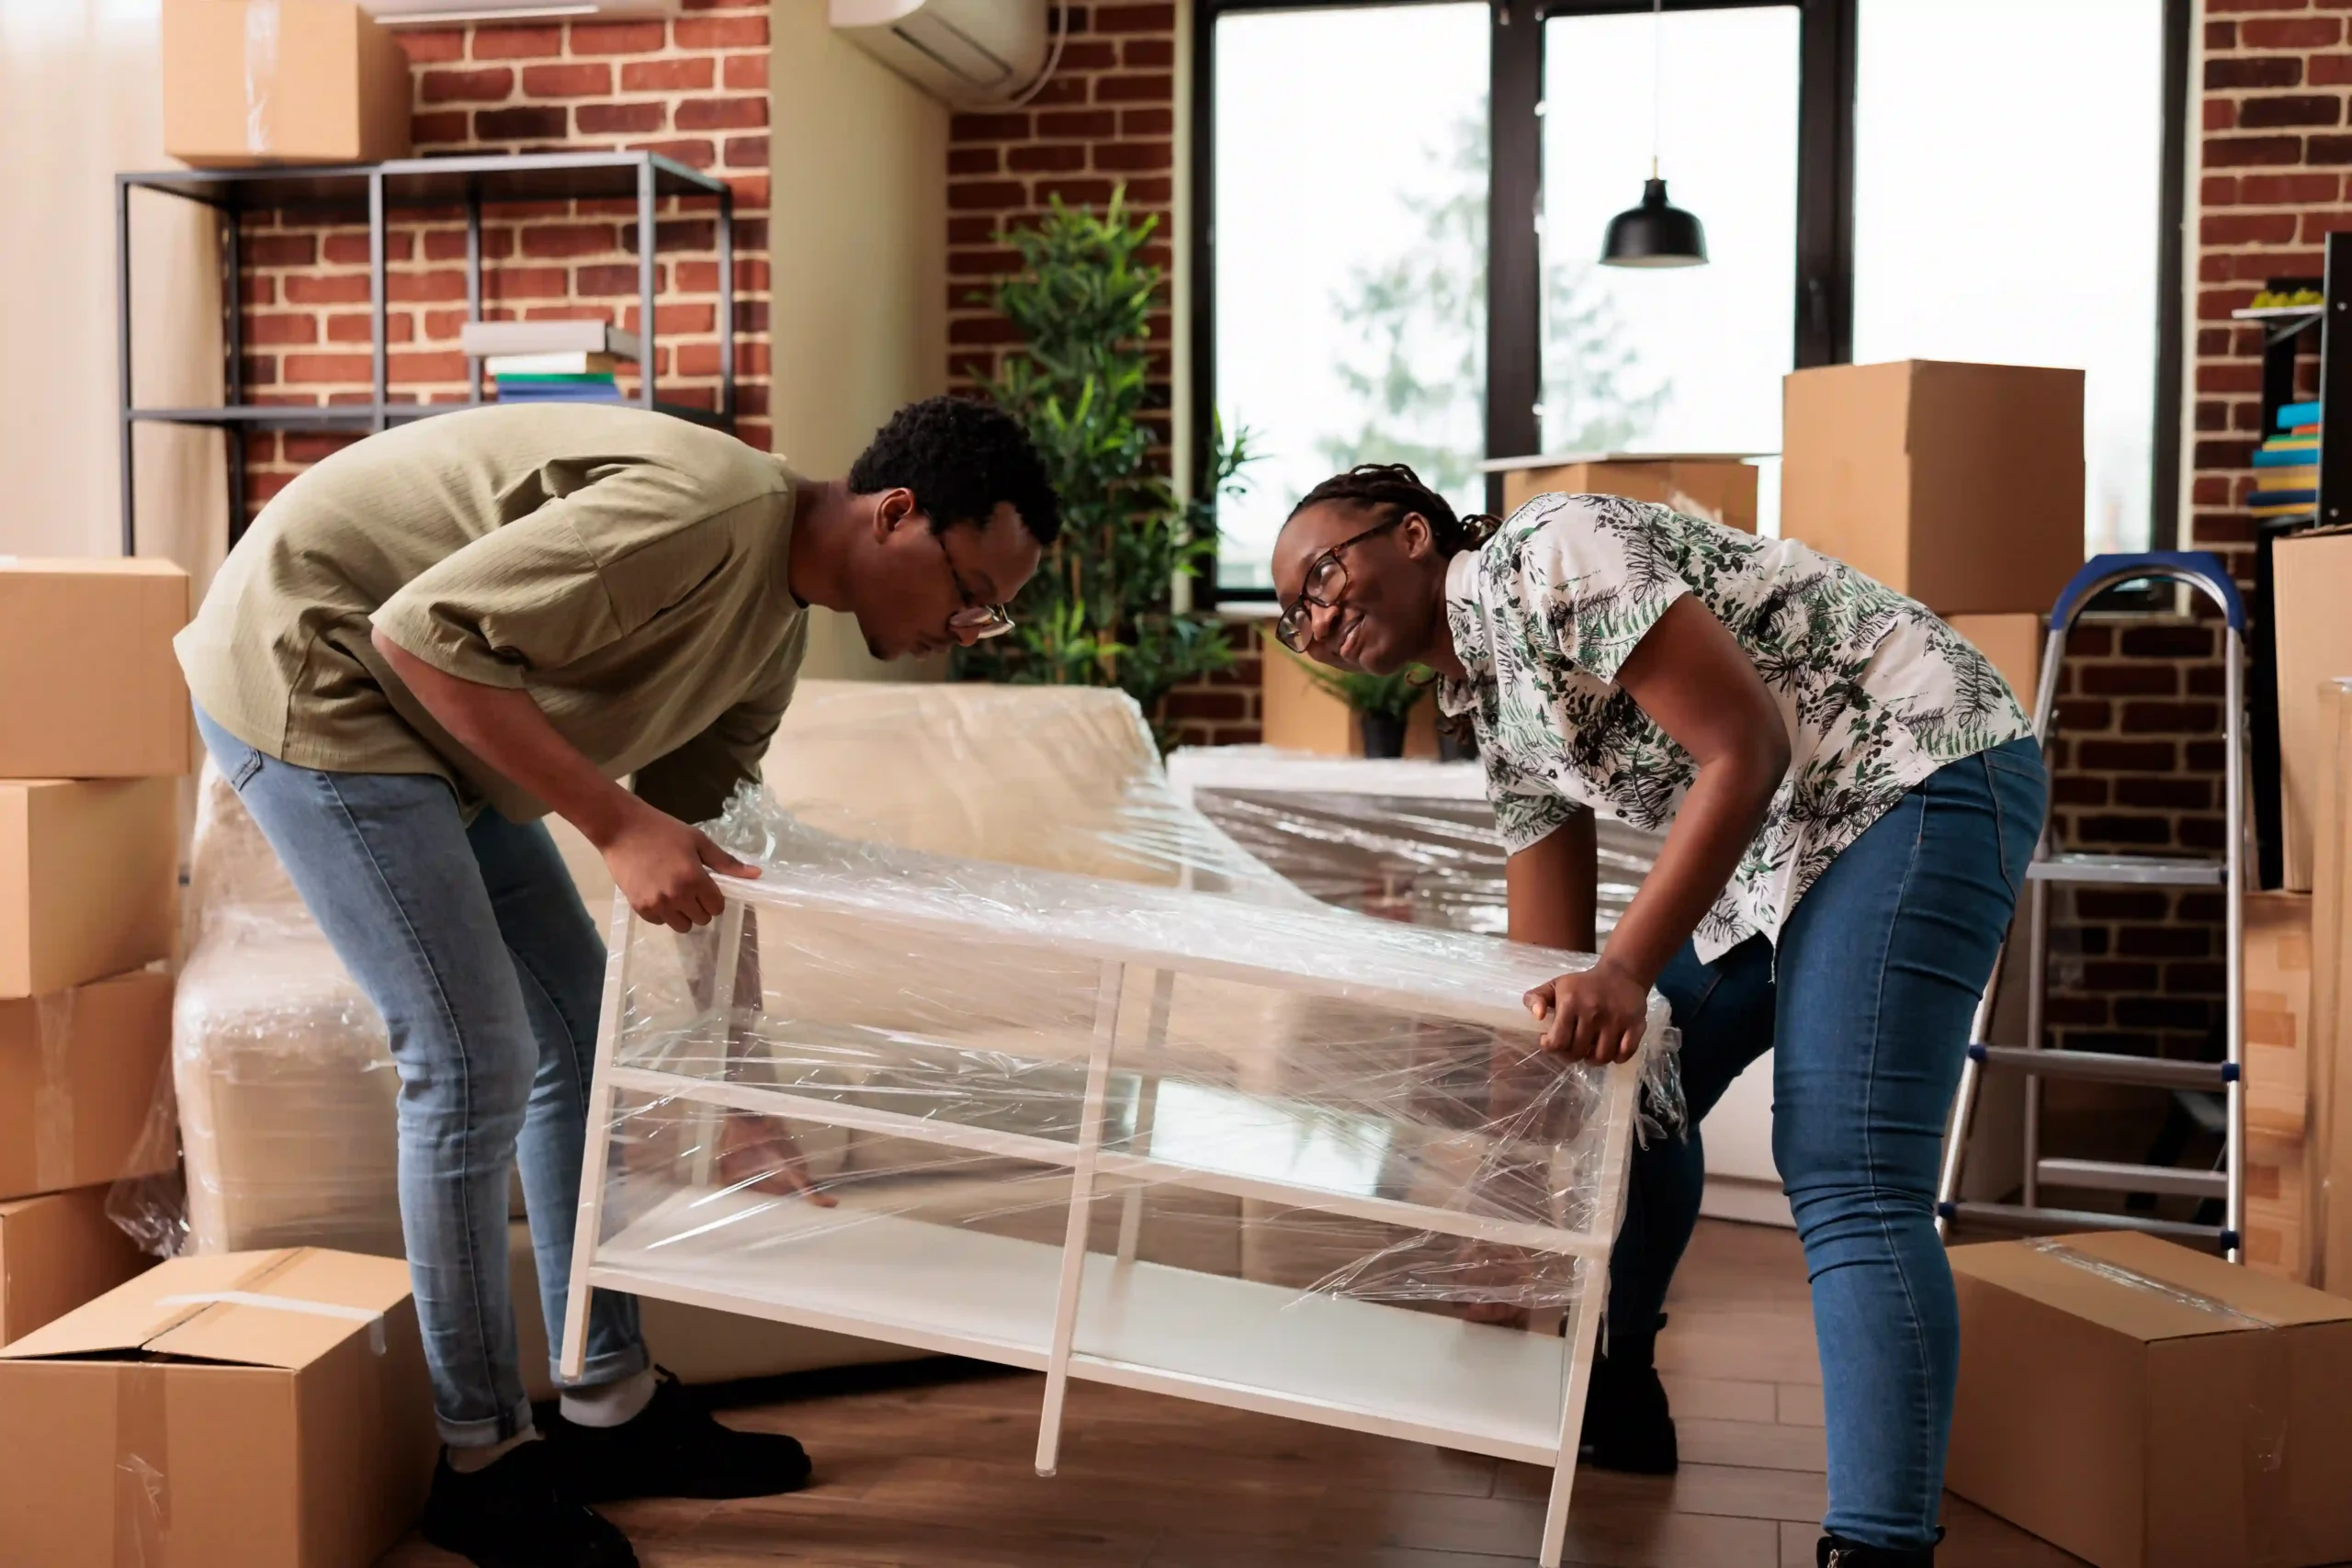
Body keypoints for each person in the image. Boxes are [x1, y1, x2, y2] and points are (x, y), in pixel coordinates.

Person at [175, 396, 1059, 1568]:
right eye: (973, 589)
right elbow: (417, 631)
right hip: (315, 662)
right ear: (896, 516)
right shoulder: (703, 511)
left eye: (991, 611)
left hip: (430, 727)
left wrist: (741, 1086)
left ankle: (608, 1407)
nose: (972, 621)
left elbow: (704, 860)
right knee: (472, 1055)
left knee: (583, 1043)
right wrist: (610, 823)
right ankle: (480, 1460)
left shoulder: (771, 637)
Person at [1271, 465, 2044, 1568]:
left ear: (1408, 534)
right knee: (1618, 1092)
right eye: (1294, 609)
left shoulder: (1552, 548)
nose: (1315, 611)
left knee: (1844, 1160)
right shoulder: (1493, 709)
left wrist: (1626, 973)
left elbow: (1745, 746)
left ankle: (1878, 1546)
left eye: (1323, 570)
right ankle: (1617, 1388)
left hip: (1909, 768)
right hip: (1787, 841)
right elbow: (1543, 967)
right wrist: (1511, 1180)